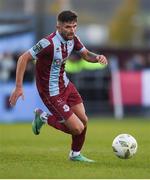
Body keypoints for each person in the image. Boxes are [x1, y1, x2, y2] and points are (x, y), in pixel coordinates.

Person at [9, 10, 108, 162]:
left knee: (84, 121)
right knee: (77, 128)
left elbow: (86, 55)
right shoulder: (47, 43)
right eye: (68, 27)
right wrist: (18, 86)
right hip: (51, 92)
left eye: (74, 26)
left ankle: (75, 155)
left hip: (66, 85)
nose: (72, 30)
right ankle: (43, 117)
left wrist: (98, 58)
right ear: (58, 26)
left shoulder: (73, 39)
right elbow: (23, 58)